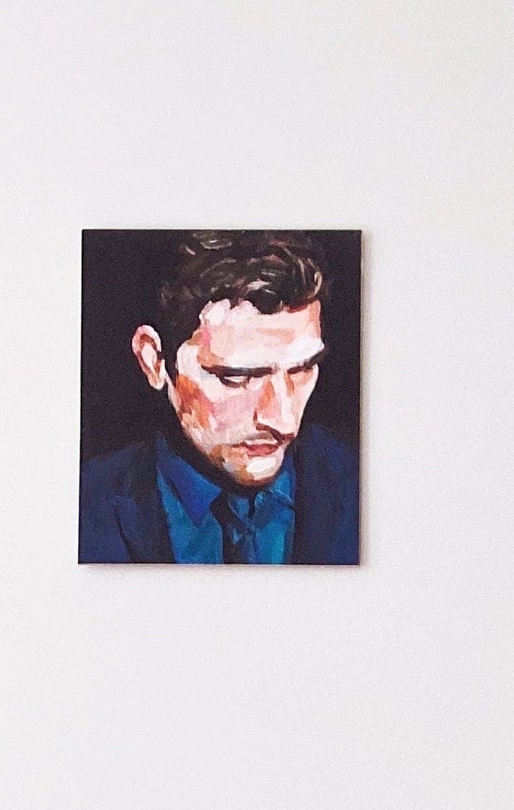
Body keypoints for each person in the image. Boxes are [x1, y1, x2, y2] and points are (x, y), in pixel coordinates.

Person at [79, 233, 358, 565]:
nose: (282, 419)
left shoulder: (360, 484)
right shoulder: (85, 503)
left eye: (302, 369)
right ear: (154, 360)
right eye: (236, 376)